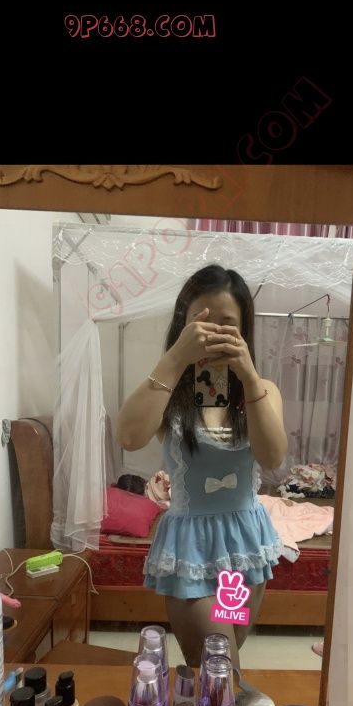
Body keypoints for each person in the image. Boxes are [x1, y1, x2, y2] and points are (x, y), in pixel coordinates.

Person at [116, 265, 288, 668]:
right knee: (221, 665)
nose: (214, 334)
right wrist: (176, 357)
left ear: (244, 331)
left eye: (228, 324)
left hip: (246, 545)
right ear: (184, 325)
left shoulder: (262, 390)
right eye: (202, 322)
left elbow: (273, 457)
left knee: (220, 665)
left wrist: (248, 377)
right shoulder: (167, 391)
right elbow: (128, 436)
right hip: (191, 547)